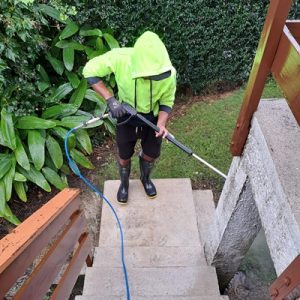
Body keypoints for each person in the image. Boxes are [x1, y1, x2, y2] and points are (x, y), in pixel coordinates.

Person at [83, 31, 176, 204]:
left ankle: (145, 179)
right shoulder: (120, 58)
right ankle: (124, 184)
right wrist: (110, 99)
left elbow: (167, 100)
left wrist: (162, 124)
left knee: (151, 154)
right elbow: (89, 70)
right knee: (124, 155)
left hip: (152, 119)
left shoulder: (168, 72)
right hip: (126, 116)